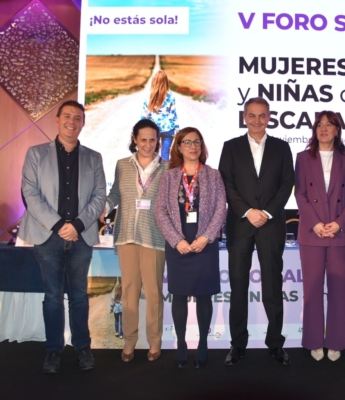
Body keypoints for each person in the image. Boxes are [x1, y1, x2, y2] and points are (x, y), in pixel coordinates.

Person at [18, 100, 106, 373]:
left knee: (80, 295)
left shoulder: (94, 157)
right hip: (47, 236)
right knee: (53, 296)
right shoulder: (35, 154)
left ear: (83, 123)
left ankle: (82, 347)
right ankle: (53, 350)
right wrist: (58, 225)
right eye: (67, 116)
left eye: (77, 117)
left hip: (81, 236)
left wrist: (78, 225)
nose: (72, 121)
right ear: (57, 120)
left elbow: (99, 196)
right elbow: (30, 193)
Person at [218, 97, 295, 366]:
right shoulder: (231, 147)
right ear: (244, 117)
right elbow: (226, 183)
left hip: (272, 226)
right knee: (238, 287)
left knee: (273, 287)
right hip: (240, 224)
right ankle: (238, 344)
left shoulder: (282, 147)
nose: (257, 121)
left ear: (269, 117)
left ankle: (275, 343)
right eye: (252, 115)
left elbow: (287, 184)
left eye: (262, 116)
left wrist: (268, 212)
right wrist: (248, 211)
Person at [155, 127, 226, 368]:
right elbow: (160, 211)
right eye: (187, 142)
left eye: (197, 142)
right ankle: (182, 344)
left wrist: (207, 237)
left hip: (204, 243)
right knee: (179, 295)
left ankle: (203, 344)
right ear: (179, 147)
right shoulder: (169, 176)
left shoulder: (213, 175)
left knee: (205, 294)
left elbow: (220, 209)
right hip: (179, 244)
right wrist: (177, 240)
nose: (193, 146)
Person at [101, 119, 169, 363]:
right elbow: (116, 194)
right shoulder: (122, 165)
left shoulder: (168, 168)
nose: (148, 145)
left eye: (152, 140)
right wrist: (105, 207)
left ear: (158, 141)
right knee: (129, 291)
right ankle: (129, 341)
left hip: (154, 237)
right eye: (143, 140)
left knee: (153, 292)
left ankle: (155, 341)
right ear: (135, 140)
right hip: (127, 235)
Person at [294, 111, 345, 362]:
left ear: (337, 130)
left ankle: (337, 341)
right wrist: (316, 224)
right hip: (312, 232)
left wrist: (340, 224)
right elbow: (300, 194)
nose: (324, 129)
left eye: (329, 125)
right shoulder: (303, 157)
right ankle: (313, 340)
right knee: (313, 289)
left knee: (339, 288)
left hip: (340, 232)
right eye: (319, 125)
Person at [141, 70, 179, 160]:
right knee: (165, 153)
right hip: (169, 128)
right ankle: (165, 173)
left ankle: (154, 173)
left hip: (154, 130)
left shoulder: (149, 97)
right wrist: (177, 129)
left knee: (153, 154)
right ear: (166, 82)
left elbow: (144, 115)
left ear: (154, 81)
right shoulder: (171, 96)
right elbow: (173, 114)